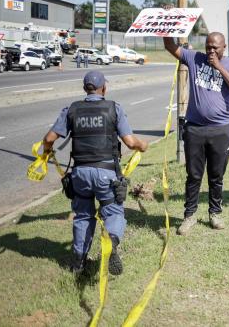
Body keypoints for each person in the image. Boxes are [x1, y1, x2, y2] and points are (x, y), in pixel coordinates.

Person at [40, 71, 148, 274]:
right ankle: (112, 242)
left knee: (82, 216)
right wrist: (143, 146)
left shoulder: (72, 110)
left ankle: (78, 262)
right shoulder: (114, 108)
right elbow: (130, 142)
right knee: (113, 210)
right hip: (106, 172)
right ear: (104, 89)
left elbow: (48, 138)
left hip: (80, 174)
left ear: (84, 89)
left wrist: (47, 152)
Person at [163, 32, 229, 233]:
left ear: (223, 47)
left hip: (221, 130)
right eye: (208, 46)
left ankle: (215, 213)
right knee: (193, 175)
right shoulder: (195, 58)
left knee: (216, 175)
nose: (210, 50)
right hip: (195, 129)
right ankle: (189, 216)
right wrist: (168, 24)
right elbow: (170, 46)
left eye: (215, 47)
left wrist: (219, 67)